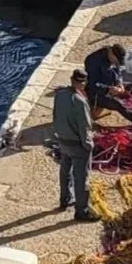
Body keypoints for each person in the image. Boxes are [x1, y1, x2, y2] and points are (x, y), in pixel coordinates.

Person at [50, 68, 95, 222]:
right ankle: (81, 211)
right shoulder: (80, 101)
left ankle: (65, 199)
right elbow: (85, 127)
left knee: (65, 171)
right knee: (82, 177)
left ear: (71, 80)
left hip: (63, 141)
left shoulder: (60, 95)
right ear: (83, 84)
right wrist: (89, 145)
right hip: (78, 145)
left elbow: (55, 116)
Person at [85, 42, 129, 119]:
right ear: (111, 54)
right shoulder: (93, 61)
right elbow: (92, 84)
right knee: (119, 105)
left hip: (111, 85)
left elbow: (118, 71)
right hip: (97, 93)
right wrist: (108, 90)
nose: (116, 64)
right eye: (115, 62)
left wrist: (119, 83)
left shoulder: (113, 59)